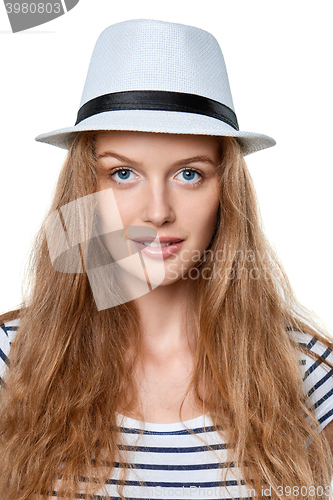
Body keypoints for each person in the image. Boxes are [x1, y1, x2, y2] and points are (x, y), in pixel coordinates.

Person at [0, 18, 333, 500]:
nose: (157, 212)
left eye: (190, 175)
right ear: (84, 189)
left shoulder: (307, 372)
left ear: (227, 191)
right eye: (123, 173)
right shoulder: (12, 359)